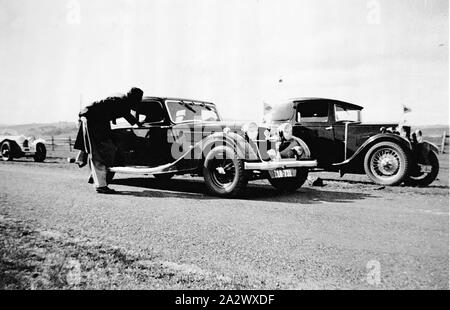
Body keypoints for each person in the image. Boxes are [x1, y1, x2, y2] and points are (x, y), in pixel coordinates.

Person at [74, 87, 144, 194]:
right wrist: (137, 123)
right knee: (99, 153)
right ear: (133, 98)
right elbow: (125, 114)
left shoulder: (122, 99)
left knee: (107, 149)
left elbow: (127, 115)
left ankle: (92, 173)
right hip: (92, 120)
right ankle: (101, 186)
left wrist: (137, 123)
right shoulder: (120, 101)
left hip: (95, 120)